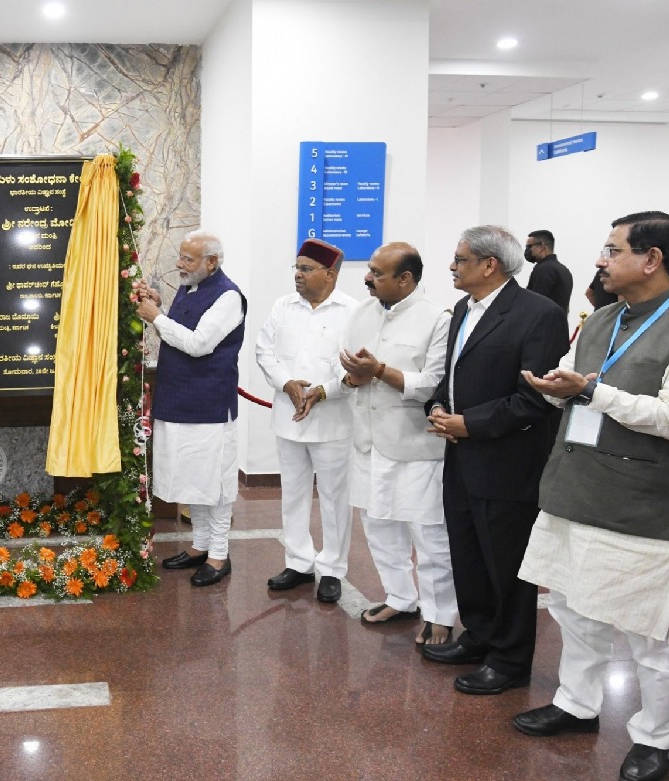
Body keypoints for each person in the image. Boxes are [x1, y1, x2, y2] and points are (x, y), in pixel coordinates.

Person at [512, 211, 669, 781]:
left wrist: (591, 390)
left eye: (612, 250)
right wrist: (556, 388)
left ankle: (657, 738)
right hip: (576, 490)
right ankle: (577, 704)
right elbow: (572, 376)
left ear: (652, 259)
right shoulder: (603, 318)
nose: (599, 260)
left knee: (651, 630)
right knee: (574, 608)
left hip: (645, 504)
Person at [422, 225, 569, 695]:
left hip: (508, 462)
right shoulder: (464, 308)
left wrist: (472, 424)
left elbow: (536, 399)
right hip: (462, 457)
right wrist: (440, 408)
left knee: (506, 563)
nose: (451, 267)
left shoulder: (538, 315)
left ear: (490, 265)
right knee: (467, 553)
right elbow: (453, 375)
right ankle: (479, 635)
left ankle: (509, 659)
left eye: (460, 259)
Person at [341, 242, 456, 644]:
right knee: (378, 527)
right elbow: (343, 369)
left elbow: (435, 383)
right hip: (367, 443)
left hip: (415, 447)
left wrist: (381, 371)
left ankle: (440, 615)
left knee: (428, 535)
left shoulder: (437, 318)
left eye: (376, 272)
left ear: (405, 279)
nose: (367, 277)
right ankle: (401, 597)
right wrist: (352, 378)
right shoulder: (361, 312)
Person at [135, 230, 245, 587]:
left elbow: (198, 344)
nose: (180, 265)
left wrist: (155, 317)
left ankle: (219, 554)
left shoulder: (229, 297)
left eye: (188, 259)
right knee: (192, 479)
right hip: (179, 399)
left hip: (208, 405)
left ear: (211, 262)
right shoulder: (190, 286)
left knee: (214, 481)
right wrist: (161, 308)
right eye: (180, 257)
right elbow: (181, 328)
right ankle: (199, 545)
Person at [254, 239, 355, 602]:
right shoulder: (283, 307)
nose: (297, 275)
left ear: (330, 274)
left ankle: (332, 569)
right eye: (296, 268)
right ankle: (298, 562)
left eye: (306, 269)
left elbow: (353, 367)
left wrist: (322, 390)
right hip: (289, 417)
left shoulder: (352, 312)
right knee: (293, 494)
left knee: (334, 497)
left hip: (332, 421)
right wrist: (287, 383)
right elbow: (264, 351)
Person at [524, 230, 574, 313]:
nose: (527, 250)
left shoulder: (543, 269)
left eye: (530, 246)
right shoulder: (564, 270)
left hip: (543, 324)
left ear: (542, 247)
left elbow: (535, 303)